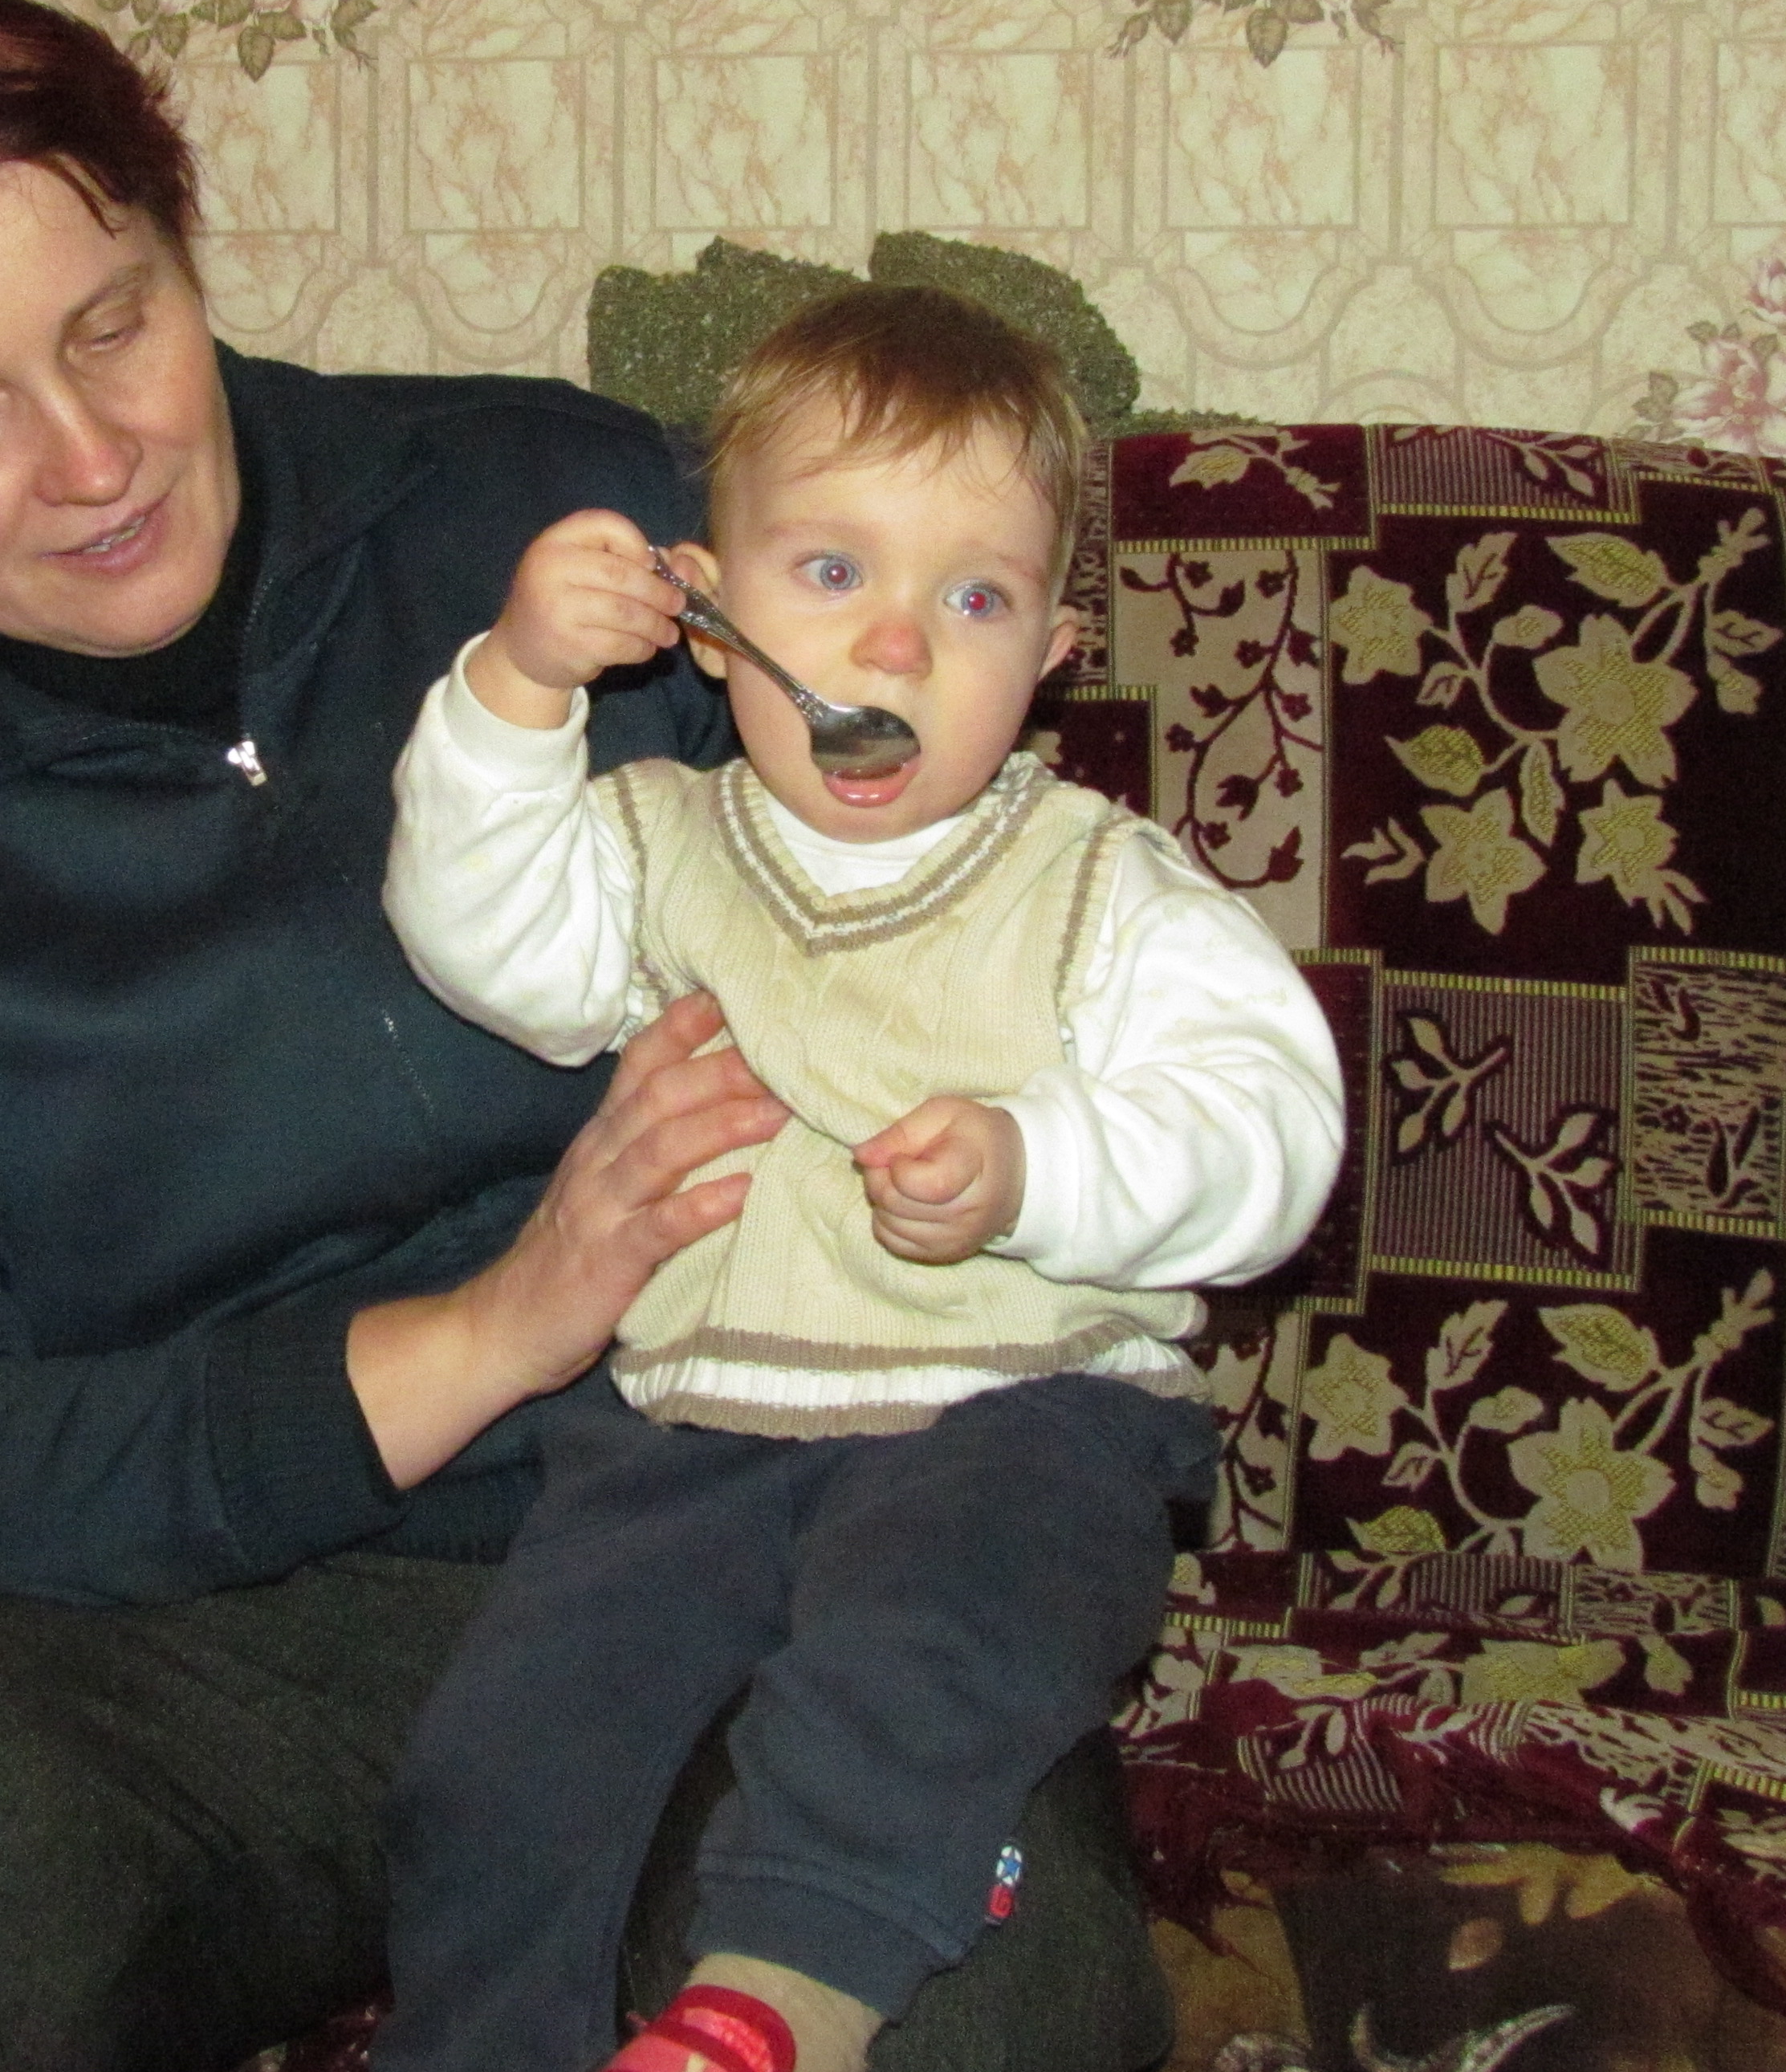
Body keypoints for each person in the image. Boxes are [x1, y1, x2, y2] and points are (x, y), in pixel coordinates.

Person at [0, 0, 1176, 2072]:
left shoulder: (547, 510)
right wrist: (486, 1331)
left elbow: (959, 875)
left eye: (112, 326)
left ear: (184, 254)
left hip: (760, 1516)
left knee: (962, 1993)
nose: (92, 460)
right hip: (206, 1641)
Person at [368, 287, 1345, 2072]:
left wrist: (1040, 1166)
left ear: (1053, 652)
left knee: (920, 1653)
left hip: (1016, 1417)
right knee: (505, 1759)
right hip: (690, 1433)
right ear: (706, 615)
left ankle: (782, 2001)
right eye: (830, 573)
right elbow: (480, 941)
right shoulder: (654, 844)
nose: (894, 645)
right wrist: (517, 689)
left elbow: (1271, 1127)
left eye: (973, 600)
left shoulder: (1099, 884)